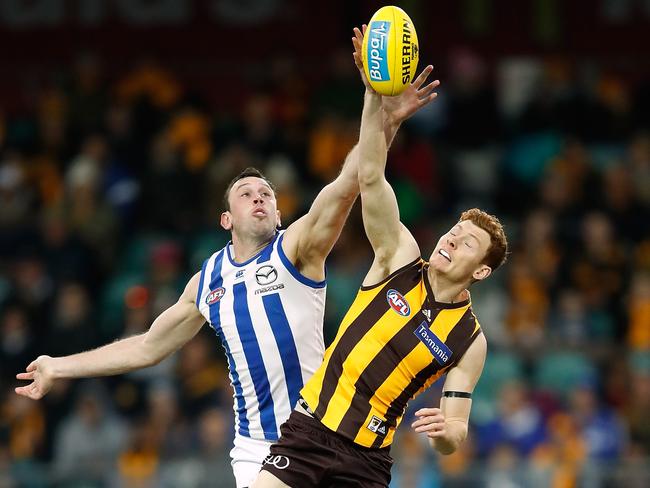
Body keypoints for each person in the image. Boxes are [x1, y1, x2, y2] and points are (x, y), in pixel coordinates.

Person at [14, 35, 437, 488]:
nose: (258, 197)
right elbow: (147, 347)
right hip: (257, 448)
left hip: (325, 434)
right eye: (246, 193)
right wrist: (59, 365)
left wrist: (378, 109)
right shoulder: (207, 281)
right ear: (225, 218)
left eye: (266, 194)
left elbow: (352, 181)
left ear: (279, 213)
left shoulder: (298, 247)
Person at [252, 27, 509, 487]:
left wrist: (445, 434)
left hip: (367, 463)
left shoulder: (471, 340)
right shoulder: (400, 257)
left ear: (482, 270)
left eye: (467, 243)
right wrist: (375, 95)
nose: (451, 240)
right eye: (454, 231)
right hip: (309, 431)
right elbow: (370, 175)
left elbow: (456, 428)